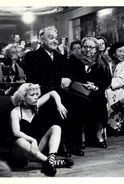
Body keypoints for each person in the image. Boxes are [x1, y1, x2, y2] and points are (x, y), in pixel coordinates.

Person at [24, 26, 84, 157]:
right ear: (41, 39)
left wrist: (69, 79)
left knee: (80, 102)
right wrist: (59, 80)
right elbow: (36, 78)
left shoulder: (60, 57)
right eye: (51, 38)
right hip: (43, 93)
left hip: (60, 91)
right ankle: (61, 145)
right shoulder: (31, 56)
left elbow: (71, 74)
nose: (54, 41)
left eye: (56, 38)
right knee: (55, 106)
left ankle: (73, 143)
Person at [10, 83, 74, 176]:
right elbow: (16, 132)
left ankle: (50, 160)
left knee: (56, 128)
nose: (36, 97)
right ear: (23, 97)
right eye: (32, 95)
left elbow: (53, 93)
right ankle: (50, 162)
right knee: (20, 141)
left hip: (35, 151)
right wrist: (33, 140)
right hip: (21, 155)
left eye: (37, 94)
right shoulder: (15, 112)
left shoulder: (36, 105)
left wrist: (59, 104)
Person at [69, 36, 111, 148]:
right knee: (81, 101)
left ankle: (98, 135)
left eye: (91, 47)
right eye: (85, 47)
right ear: (82, 48)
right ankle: (81, 136)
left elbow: (107, 80)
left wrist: (95, 86)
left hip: (95, 91)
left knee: (100, 100)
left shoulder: (102, 61)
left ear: (96, 49)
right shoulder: (74, 60)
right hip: (78, 90)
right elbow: (71, 76)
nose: (88, 50)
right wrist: (82, 85)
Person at [105, 42, 124, 133]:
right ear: (113, 53)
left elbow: (121, 80)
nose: (123, 54)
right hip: (111, 88)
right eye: (120, 51)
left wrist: (105, 85)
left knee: (108, 93)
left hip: (121, 89)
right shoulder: (109, 63)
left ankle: (116, 127)